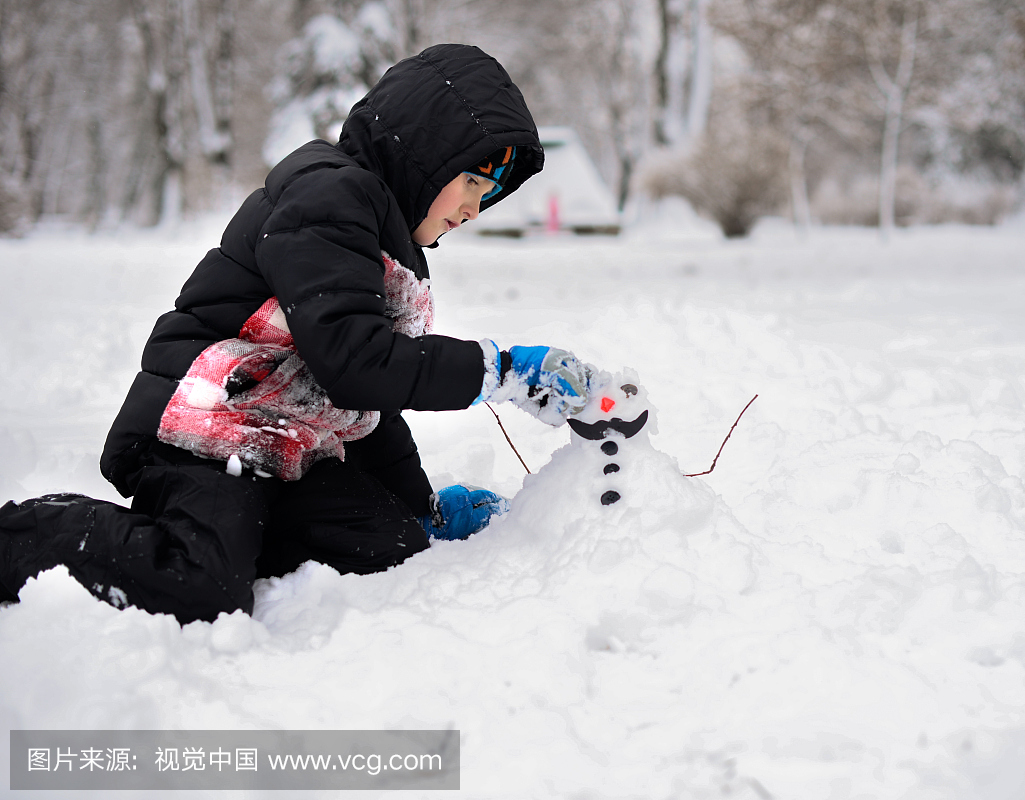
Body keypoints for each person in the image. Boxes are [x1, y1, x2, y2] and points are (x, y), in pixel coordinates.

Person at [0, 44, 592, 624]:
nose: (474, 209)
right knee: (202, 587)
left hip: (281, 438)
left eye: (487, 194)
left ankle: (245, 534)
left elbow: (361, 404)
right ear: (427, 152)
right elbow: (357, 364)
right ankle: (23, 537)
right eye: (471, 181)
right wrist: (501, 370)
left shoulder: (384, 239)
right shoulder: (327, 196)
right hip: (203, 426)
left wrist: (420, 511)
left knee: (391, 548)